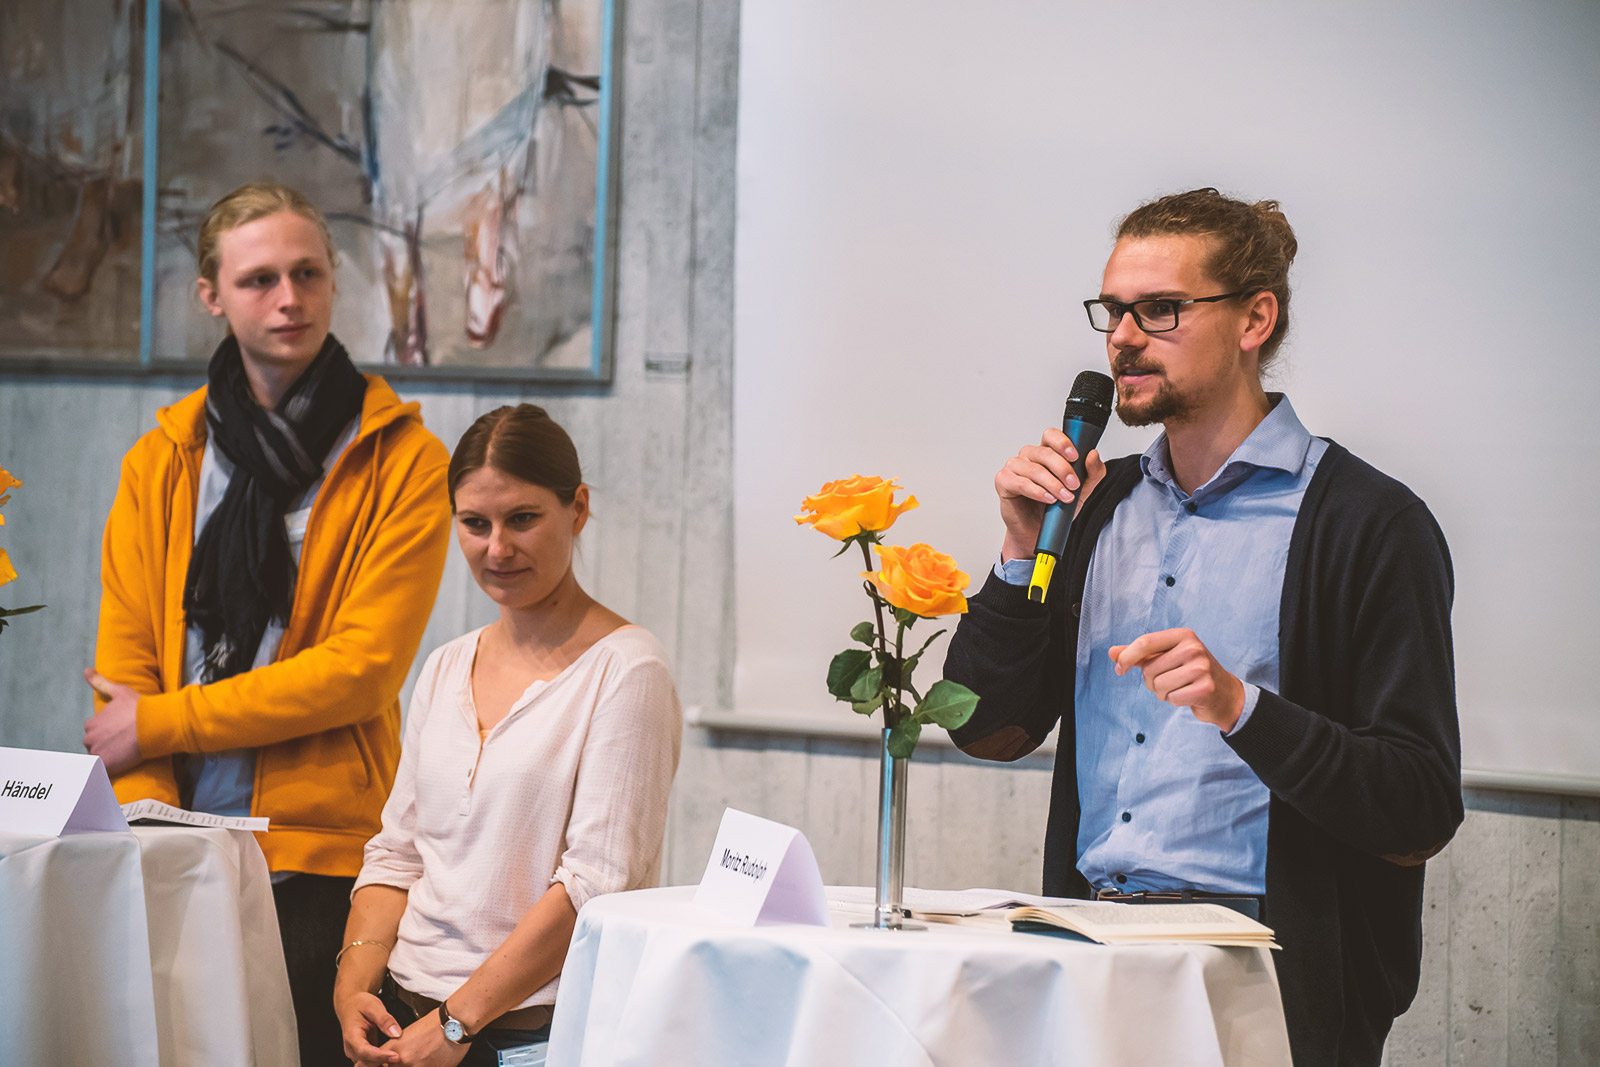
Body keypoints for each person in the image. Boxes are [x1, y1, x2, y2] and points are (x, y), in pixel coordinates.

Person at [945, 188, 1462, 1067]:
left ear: (1255, 317)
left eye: (1161, 310)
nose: (1122, 338)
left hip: (1262, 972)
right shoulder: (1097, 507)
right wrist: (1018, 548)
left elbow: (1417, 803)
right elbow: (985, 725)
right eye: (1113, 311)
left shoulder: (1368, 522)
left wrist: (1241, 708)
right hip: (1088, 944)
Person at [83, 182, 453, 1067]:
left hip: (320, 856)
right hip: (170, 843)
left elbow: (359, 669)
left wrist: (161, 719)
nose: (288, 298)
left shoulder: (403, 459)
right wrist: (141, 830)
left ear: (331, 283)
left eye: (307, 273)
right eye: (258, 280)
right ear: (212, 294)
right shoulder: (164, 455)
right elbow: (122, 670)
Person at [332, 404, 683, 1066]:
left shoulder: (627, 668)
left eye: (523, 518)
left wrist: (457, 1023)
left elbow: (593, 886)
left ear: (577, 508)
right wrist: (352, 990)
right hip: (405, 1025)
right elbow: (396, 854)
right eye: (475, 523)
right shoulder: (444, 664)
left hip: (534, 1038)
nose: (497, 548)